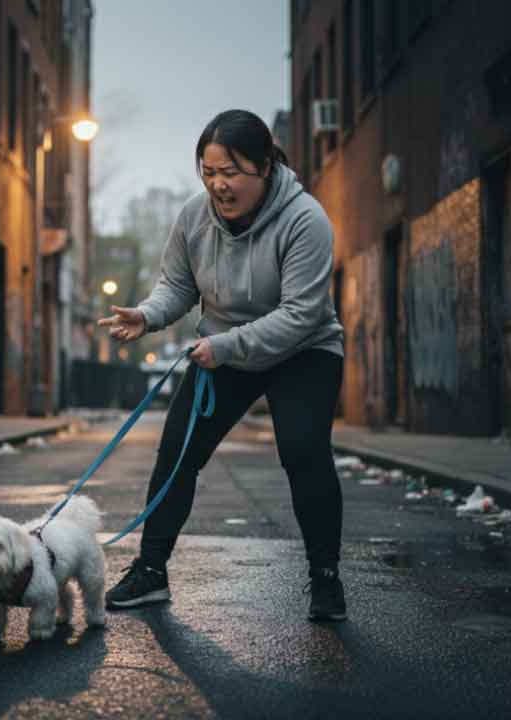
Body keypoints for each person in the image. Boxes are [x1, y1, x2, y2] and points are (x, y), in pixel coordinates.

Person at [96, 109, 347, 621]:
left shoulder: (306, 221)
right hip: (224, 351)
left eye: (231, 172)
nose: (219, 185)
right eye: (209, 173)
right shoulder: (193, 217)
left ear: (265, 166)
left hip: (304, 351)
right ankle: (150, 571)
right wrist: (146, 316)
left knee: (304, 452)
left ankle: (325, 578)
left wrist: (226, 346)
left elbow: (301, 315)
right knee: (178, 452)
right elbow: (178, 286)